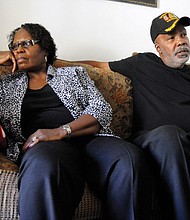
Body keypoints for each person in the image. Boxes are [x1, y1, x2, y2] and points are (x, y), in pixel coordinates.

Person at [0, 23, 153, 220]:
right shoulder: (7, 84)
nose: (18, 49)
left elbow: (101, 109)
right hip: (46, 146)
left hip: (90, 139)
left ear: (45, 47)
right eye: (14, 46)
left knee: (128, 158)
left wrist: (60, 131)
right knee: (44, 163)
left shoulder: (73, 74)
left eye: (26, 43)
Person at [79, 12, 190, 220]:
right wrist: (48, 59)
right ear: (158, 48)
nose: (181, 41)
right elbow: (97, 66)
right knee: (169, 135)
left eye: (183, 35)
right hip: (154, 139)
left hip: (185, 142)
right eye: (172, 38)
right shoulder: (142, 63)